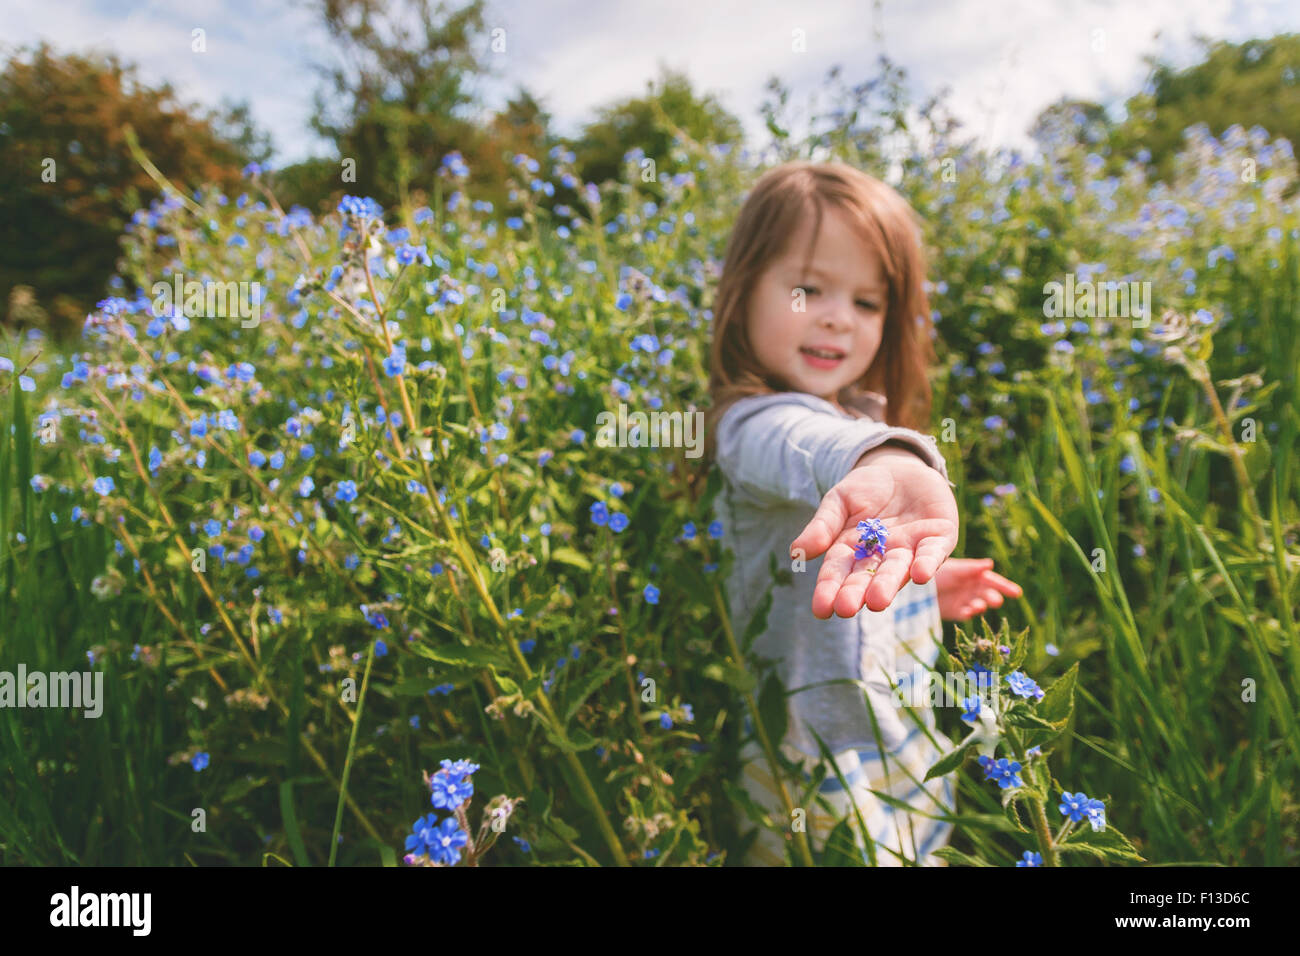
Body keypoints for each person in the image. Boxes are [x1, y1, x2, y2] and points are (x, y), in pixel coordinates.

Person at [703, 160, 1022, 866]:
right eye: (806, 288)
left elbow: (850, 587)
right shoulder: (753, 426)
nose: (836, 316)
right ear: (742, 288)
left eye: (868, 302)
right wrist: (882, 457)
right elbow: (809, 444)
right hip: (814, 759)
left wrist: (924, 594)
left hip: (893, 731)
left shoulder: (854, 415)